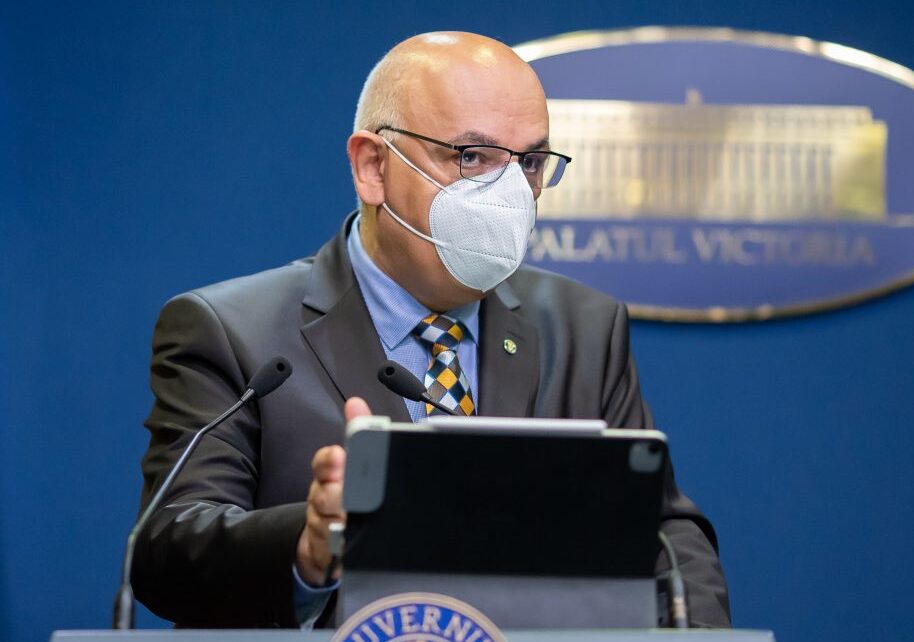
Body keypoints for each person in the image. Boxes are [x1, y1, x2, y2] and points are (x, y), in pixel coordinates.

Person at [133, 31, 730, 629]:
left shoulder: (582, 327)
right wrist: (307, 547)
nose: (509, 193)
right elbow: (170, 546)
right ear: (372, 167)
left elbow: (663, 534)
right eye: (471, 157)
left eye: (528, 163)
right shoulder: (233, 331)